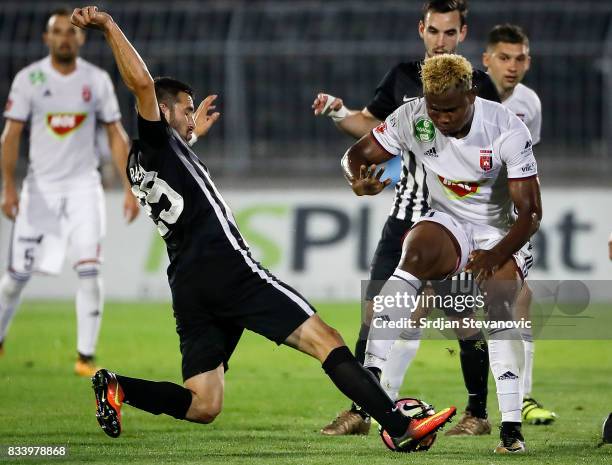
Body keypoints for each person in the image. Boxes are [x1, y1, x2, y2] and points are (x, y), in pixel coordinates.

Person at [69, 6, 456, 452]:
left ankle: (118, 386)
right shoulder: (156, 133)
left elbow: (174, 169)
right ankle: (399, 426)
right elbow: (141, 84)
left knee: (203, 404)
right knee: (324, 339)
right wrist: (107, 26)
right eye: (186, 110)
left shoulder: (144, 159)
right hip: (228, 269)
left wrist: (191, 137)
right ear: (164, 109)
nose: (192, 117)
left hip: (189, 283)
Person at [313, 0, 498, 437]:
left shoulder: (480, 88)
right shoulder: (401, 78)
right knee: (376, 310)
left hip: (455, 223)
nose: (441, 41)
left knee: (463, 321)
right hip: (403, 216)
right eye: (434, 31)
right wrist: (345, 129)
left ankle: (478, 414)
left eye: (450, 33)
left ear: (463, 35)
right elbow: (372, 130)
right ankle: (360, 409)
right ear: (422, 29)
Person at [342, 53, 541, 453]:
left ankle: (511, 427)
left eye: (451, 109)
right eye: (435, 109)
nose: (442, 118)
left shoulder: (506, 128)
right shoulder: (412, 116)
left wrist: (494, 255)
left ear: (470, 95)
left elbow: (531, 213)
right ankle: (372, 377)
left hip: (501, 231)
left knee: (499, 304)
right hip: (449, 221)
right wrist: (357, 181)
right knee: (413, 254)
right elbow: (355, 156)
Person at [0, 8, 140, 376]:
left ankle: (85, 356)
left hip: (84, 188)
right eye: (57, 32)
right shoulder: (29, 79)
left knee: (90, 270)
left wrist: (129, 187)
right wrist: (8, 188)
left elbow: (116, 135)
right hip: (40, 190)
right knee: (15, 278)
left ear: (80, 39)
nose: (64, 37)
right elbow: (11, 136)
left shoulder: (96, 81)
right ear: (47, 38)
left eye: (70, 32)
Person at [483, 23, 556, 425]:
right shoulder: (469, 95)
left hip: (507, 218)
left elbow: (527, 161)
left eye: (520, 58)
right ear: (487, 59)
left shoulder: (530, 103)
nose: (513, 67)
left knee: (519, 298)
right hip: (465, 212)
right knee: (426, 301)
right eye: (504, 57)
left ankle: (522, 398)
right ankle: (382, 395)